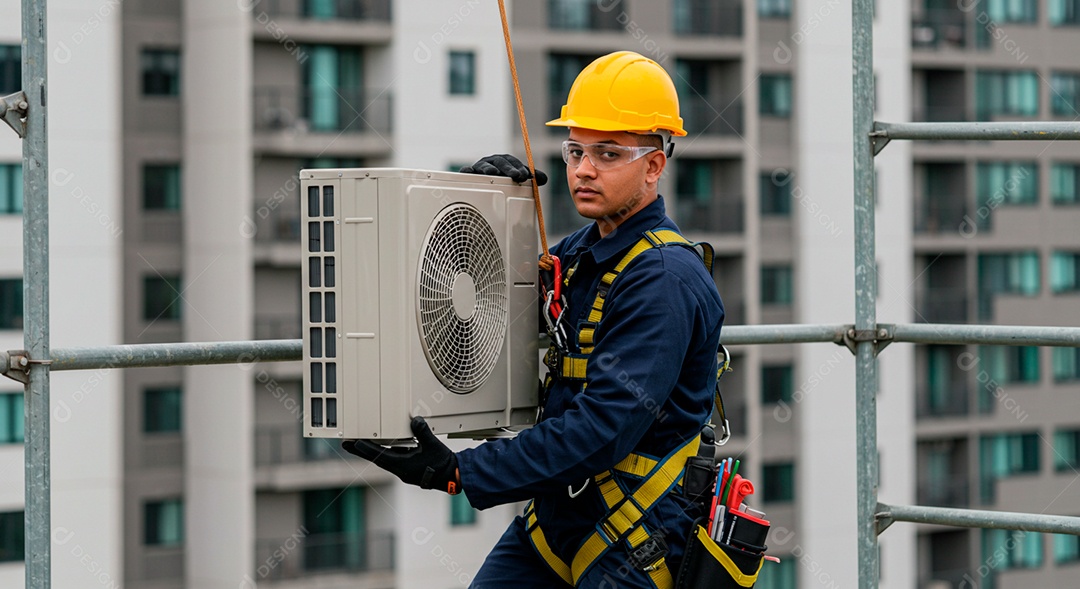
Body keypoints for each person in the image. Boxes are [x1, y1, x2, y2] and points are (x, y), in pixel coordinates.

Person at [344, 51, 725, 589]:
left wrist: (462, 472)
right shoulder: (583, 253)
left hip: (637, 536)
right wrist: (481, 202)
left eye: (608, 153)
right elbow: (474, 293)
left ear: (655, 164)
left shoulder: (664, 280)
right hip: (557, 520)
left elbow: (604, 429)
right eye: (575, 150)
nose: (584, 168)